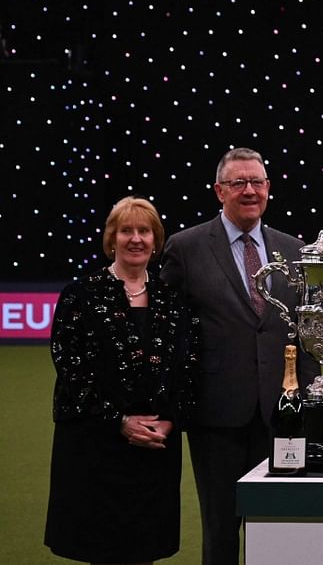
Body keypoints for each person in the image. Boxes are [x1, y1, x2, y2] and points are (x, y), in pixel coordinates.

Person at [160, 147, 317, 565]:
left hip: (282, 415)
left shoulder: (294, 250)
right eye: (239, 183)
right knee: (220, 530)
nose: (250, 190)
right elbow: (168, 335)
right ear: (219, 191)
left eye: (258, 182)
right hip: (217, 415)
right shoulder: (185, 247)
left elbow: (306, 333)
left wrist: (308, 400)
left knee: (282, 526)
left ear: (268, 189)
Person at [45, 197, 200, 564]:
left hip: (155, 448)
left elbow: (188, 365)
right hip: (94, 445)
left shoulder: (172, 300)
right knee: (99, 548)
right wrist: (120, 421)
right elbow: (71, 370)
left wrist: (170, 419)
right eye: (126, 230)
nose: (136, 239)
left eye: (144, 231)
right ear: (111, 238)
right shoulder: (80, 296)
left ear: (156, 240)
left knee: (146, 548)